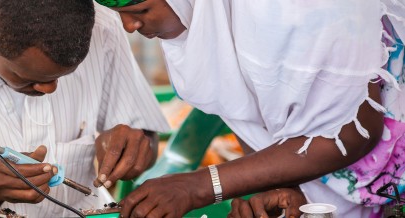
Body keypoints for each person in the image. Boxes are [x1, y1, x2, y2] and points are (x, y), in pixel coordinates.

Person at [95, 0, 405, 217]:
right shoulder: (213, 19)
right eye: (120, 13)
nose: (129, 25)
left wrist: (199, 186)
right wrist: (281, 190)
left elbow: (353, 131)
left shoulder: (301, 9)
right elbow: (244, 110)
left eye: (141, 10)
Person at [0, 0, 170, 217]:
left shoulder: (102, 27)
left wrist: (134, 149)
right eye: (31, 78)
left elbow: (146, 138)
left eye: (64, 76)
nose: (50, 90)